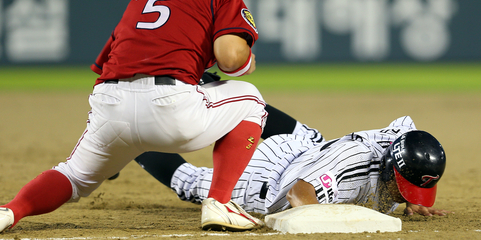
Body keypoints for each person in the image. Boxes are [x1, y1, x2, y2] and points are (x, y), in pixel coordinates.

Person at [0, 0, 268, 234]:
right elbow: (230, 58)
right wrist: (247, 61)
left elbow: (105, 63)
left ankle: (9, 210)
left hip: (110, 105)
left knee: (73, 175)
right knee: (251, 99)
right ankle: (220, 202)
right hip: (171, 110)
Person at [135, 116, 450, 217]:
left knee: (313, 137)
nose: (404, 193)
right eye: (403, 184)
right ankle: (131, 139)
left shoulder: (400, 142)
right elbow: (299, 198)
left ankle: (243, 105)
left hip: (306, 151)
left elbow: (404, 127)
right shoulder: (352, 166)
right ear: (389, 166)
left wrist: (410, 192)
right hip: (269, 180)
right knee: (194, 185)